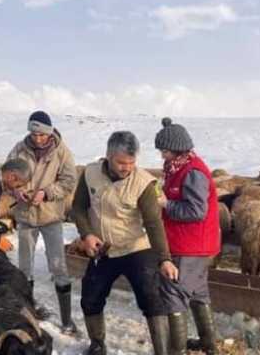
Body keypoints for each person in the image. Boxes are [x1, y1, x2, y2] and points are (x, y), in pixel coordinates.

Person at [71, 131, 177, 355]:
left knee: (152, 298)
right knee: (91, 297)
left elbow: (154, 223)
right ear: (108, 156)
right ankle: (97, 344)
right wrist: (86, 234)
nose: (126, 167)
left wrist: (165, 259)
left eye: (131, 162)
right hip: (104, 249)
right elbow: (78, 208)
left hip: (136, 248)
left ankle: (162, 351)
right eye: (121, 162)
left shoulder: (144, 183)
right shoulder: (90, 173)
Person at [153, 118, 221, 355]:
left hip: (189, 245)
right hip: (193, 244)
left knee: (174, 294)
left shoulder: (193, 172)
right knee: (198, 294)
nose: (162, 155)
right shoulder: (179, 168)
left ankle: (177, 351)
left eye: (165, 151)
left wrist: (165, 204)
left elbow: (195, 211)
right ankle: (209, 346)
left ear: (177, 149)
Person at [6, 110, 78, 334]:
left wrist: (46, 193)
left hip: (50, 216)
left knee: (58, 266)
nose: (37, 139)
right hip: (26, 217)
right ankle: (29, 313)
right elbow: (8, 176)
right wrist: (18, 192)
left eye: (41, 134)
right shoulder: (19, 149)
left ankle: (66, 320)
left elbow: (69, 180)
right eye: (33, 134)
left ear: (49, 132)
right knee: (25, 268)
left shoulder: (62, 152)